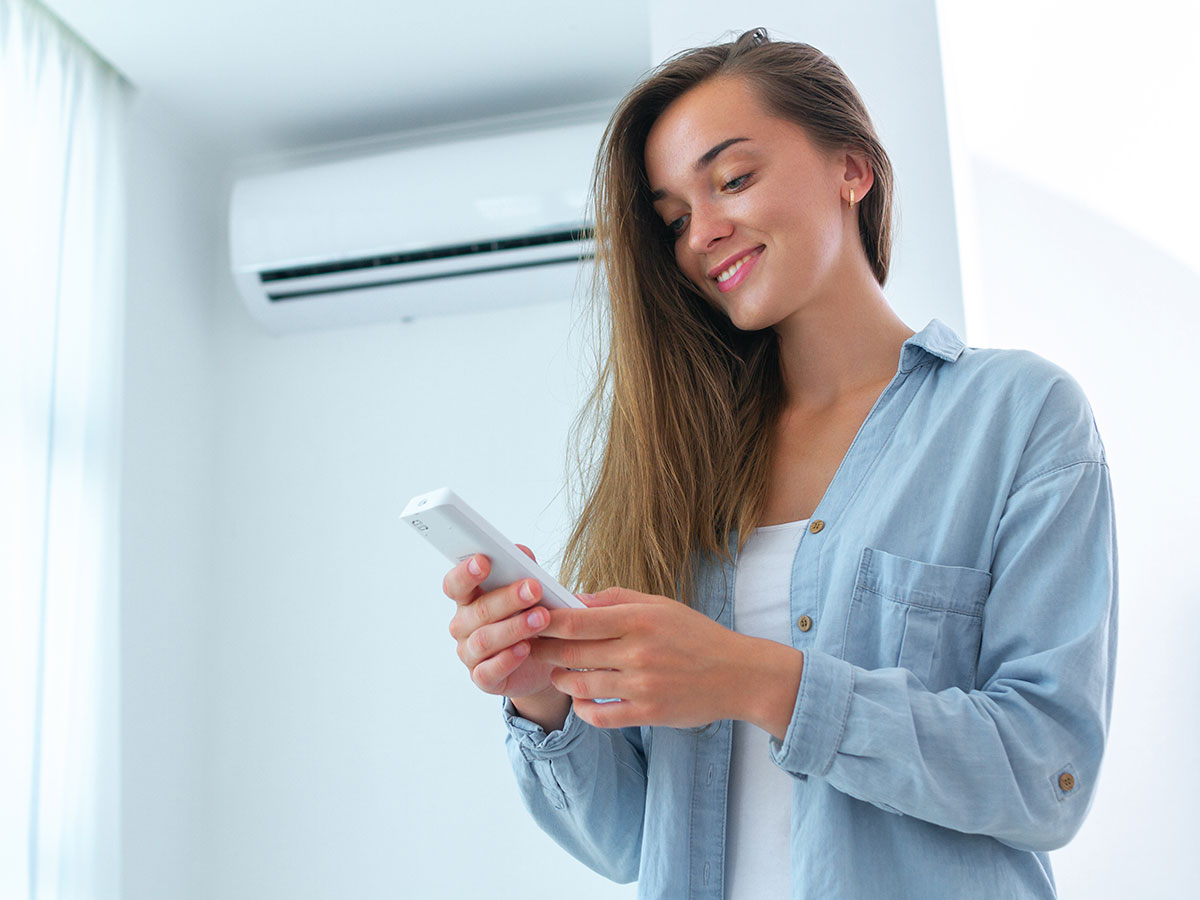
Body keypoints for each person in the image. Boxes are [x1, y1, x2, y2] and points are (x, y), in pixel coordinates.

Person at [441, 28, 1116, 900]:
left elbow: (1047, 773)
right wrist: (544, 696)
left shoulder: (1018, 416)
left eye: (733, 179)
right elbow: (627, 845)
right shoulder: (683, 464)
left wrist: (752, 679)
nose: (702, 235)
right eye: (675, 218)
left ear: (852, 168)